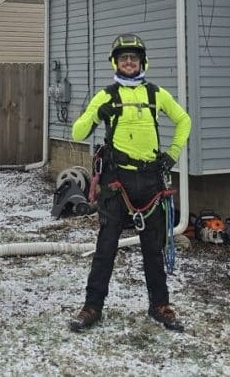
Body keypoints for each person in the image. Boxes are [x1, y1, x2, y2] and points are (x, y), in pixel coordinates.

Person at [68, 33, 192, 332]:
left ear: (142, 62)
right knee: (105, 248)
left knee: (154, 248)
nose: (128, 62)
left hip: (150, 181)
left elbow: (184, 120)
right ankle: (92, 306)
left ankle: (160, 305)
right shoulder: (106, 96)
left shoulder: (156, 94)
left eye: (133, 57)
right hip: (117, 183)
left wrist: (173, 154)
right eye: (123, 57)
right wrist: (97, 114)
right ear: (115, 62)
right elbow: (77, 132)